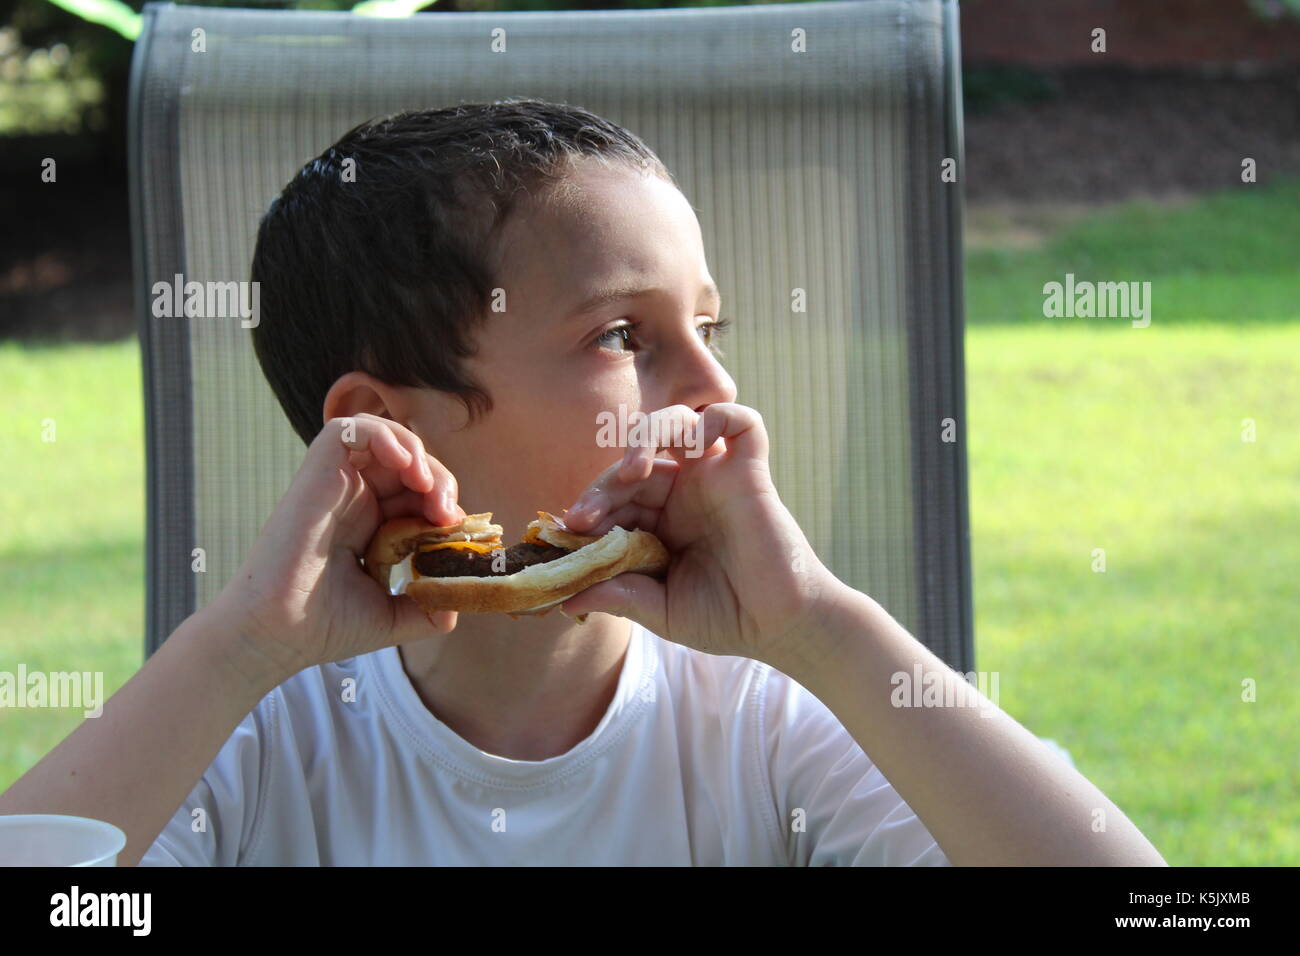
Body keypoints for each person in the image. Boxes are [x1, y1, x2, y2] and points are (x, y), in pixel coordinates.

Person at [0, 100, 1166, 866]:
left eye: (711, 326)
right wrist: (236, 649)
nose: (719, 392)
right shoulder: (255, 743)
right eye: (623, 334)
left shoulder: (768, 721)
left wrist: (824, 626)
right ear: (382, 425)